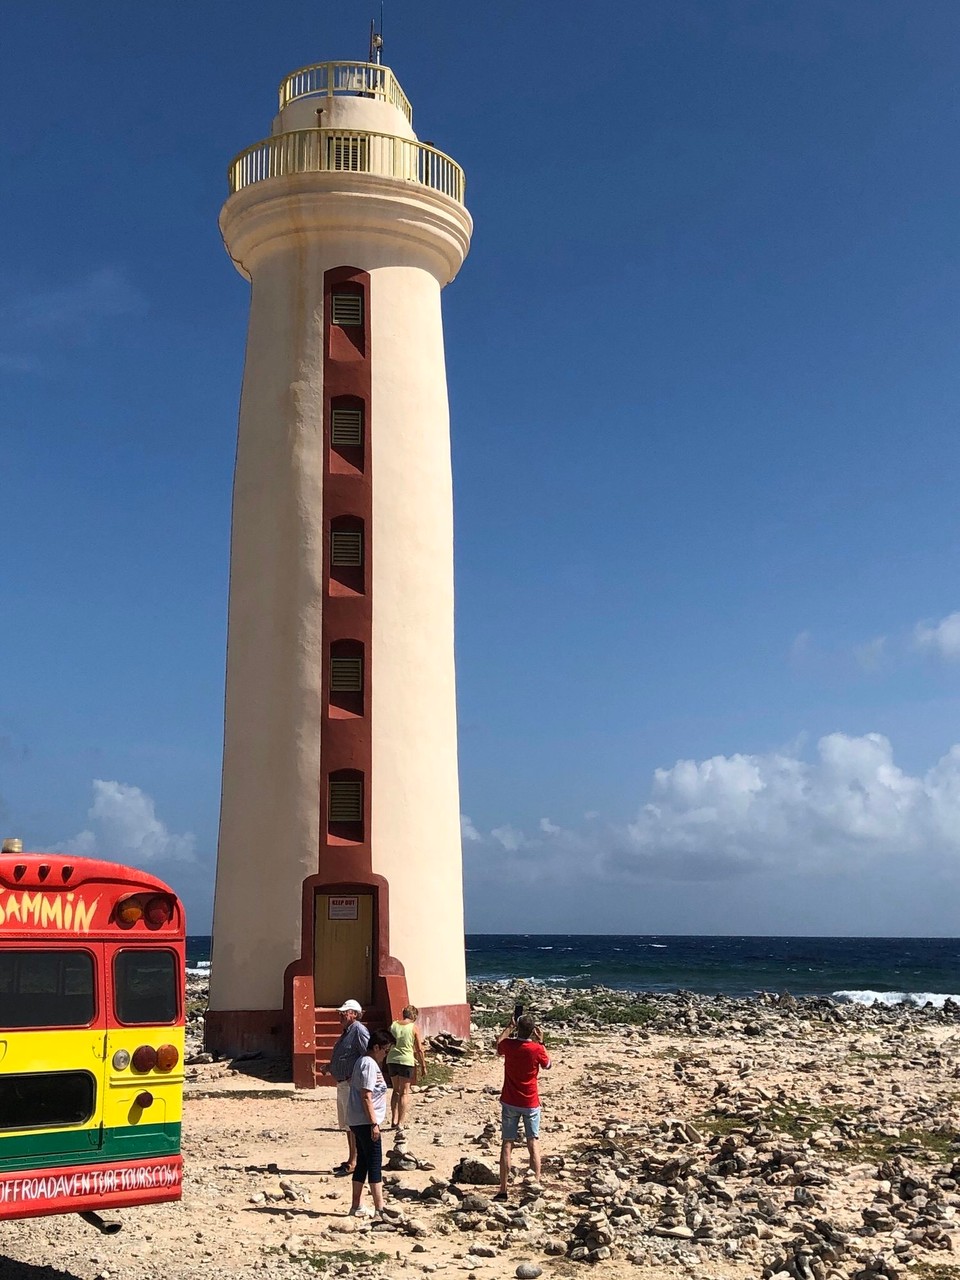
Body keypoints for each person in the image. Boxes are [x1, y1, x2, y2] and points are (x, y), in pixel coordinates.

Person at [495, 1012, 551, 1201]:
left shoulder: (509, 1045)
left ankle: (503, 1189)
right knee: (532, 1142)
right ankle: (535, 1183)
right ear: (533, 1030)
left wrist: (508, 1028)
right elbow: (548, 1065)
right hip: (530, 1101)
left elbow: (498, 1045)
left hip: (510, 1099)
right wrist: (541, 1042)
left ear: (518, 1028)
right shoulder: (536, 1049)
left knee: (507, 1143)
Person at [346, 1027, 395, 1218]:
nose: (386, 1054)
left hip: (360, 1120)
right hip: (366, 1121)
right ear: (376, 1047)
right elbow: (366, 1095)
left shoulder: (365, 1062)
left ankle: (356, 1205)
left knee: (364, 1162)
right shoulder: (368, 1064)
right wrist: (374, 1123)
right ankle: (380, 1209)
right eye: (385, 1050)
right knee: (375, 1162)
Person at [326, 999, 370, 1175]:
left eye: (344, 1012)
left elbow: (367, 1055)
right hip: (342, 1082)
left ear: (354, 1014)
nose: (341, 1015)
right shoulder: (347, 1031)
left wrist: (358, 1076)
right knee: (346, 1124)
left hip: (351, 1084)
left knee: (352, 1124)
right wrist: (331, 1066)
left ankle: (355, 1161)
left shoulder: (358, 1030)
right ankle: (351, 1158)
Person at [386, 1004, 427, 1133]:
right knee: (405, 1092)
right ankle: (401, 1122)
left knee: (395, 1090)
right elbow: (419, 1049)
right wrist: (423, 1066)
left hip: (392, 1059)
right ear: (414, 1016)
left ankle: (393, 1118)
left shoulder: (393, 1026)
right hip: (406, 1061)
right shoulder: (414, 1028)